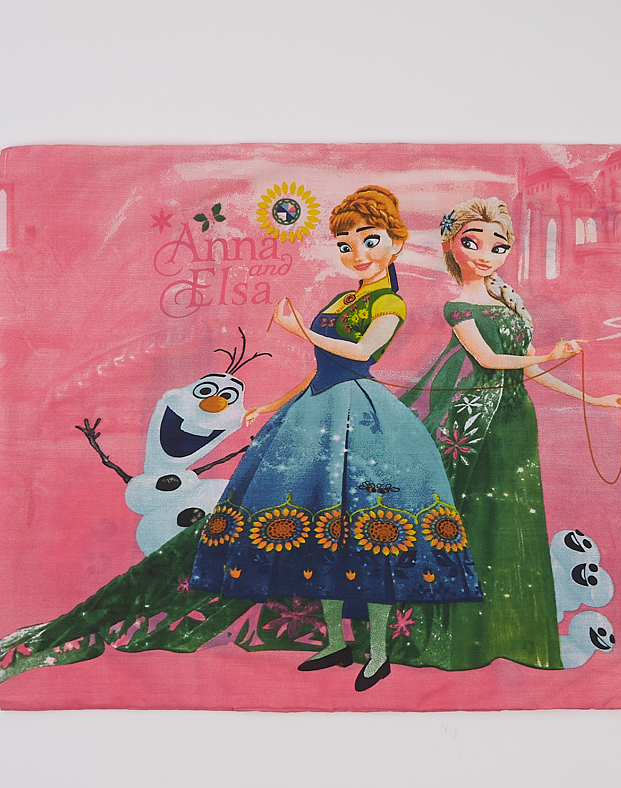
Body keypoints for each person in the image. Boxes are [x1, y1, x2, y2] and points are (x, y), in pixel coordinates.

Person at [190, 186, 482, 690]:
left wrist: (298, 330)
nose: (357, 254)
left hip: (363, 420)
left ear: (395, 243)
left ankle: (378, 652)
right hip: (313, 414)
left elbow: (361, 353)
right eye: (346, 245)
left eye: (370, 240)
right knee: (319, 530)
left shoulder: (390, 302)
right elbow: (320, 367)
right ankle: (333, 642)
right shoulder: (344, 298)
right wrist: (273, 404)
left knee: (372, 534)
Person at [391, 197, 621, 671]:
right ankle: (460, 639)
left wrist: (595, 399)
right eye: (473, 243)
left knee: (513, 520)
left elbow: (527, 372)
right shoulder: (458, 307)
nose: (486, 255)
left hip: (516, 419)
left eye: (498, 247)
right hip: (474, 422)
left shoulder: (506, 303)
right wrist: (550, 354)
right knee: (471, 518)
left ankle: (507, 634)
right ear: (451, 246)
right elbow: (489, 360)